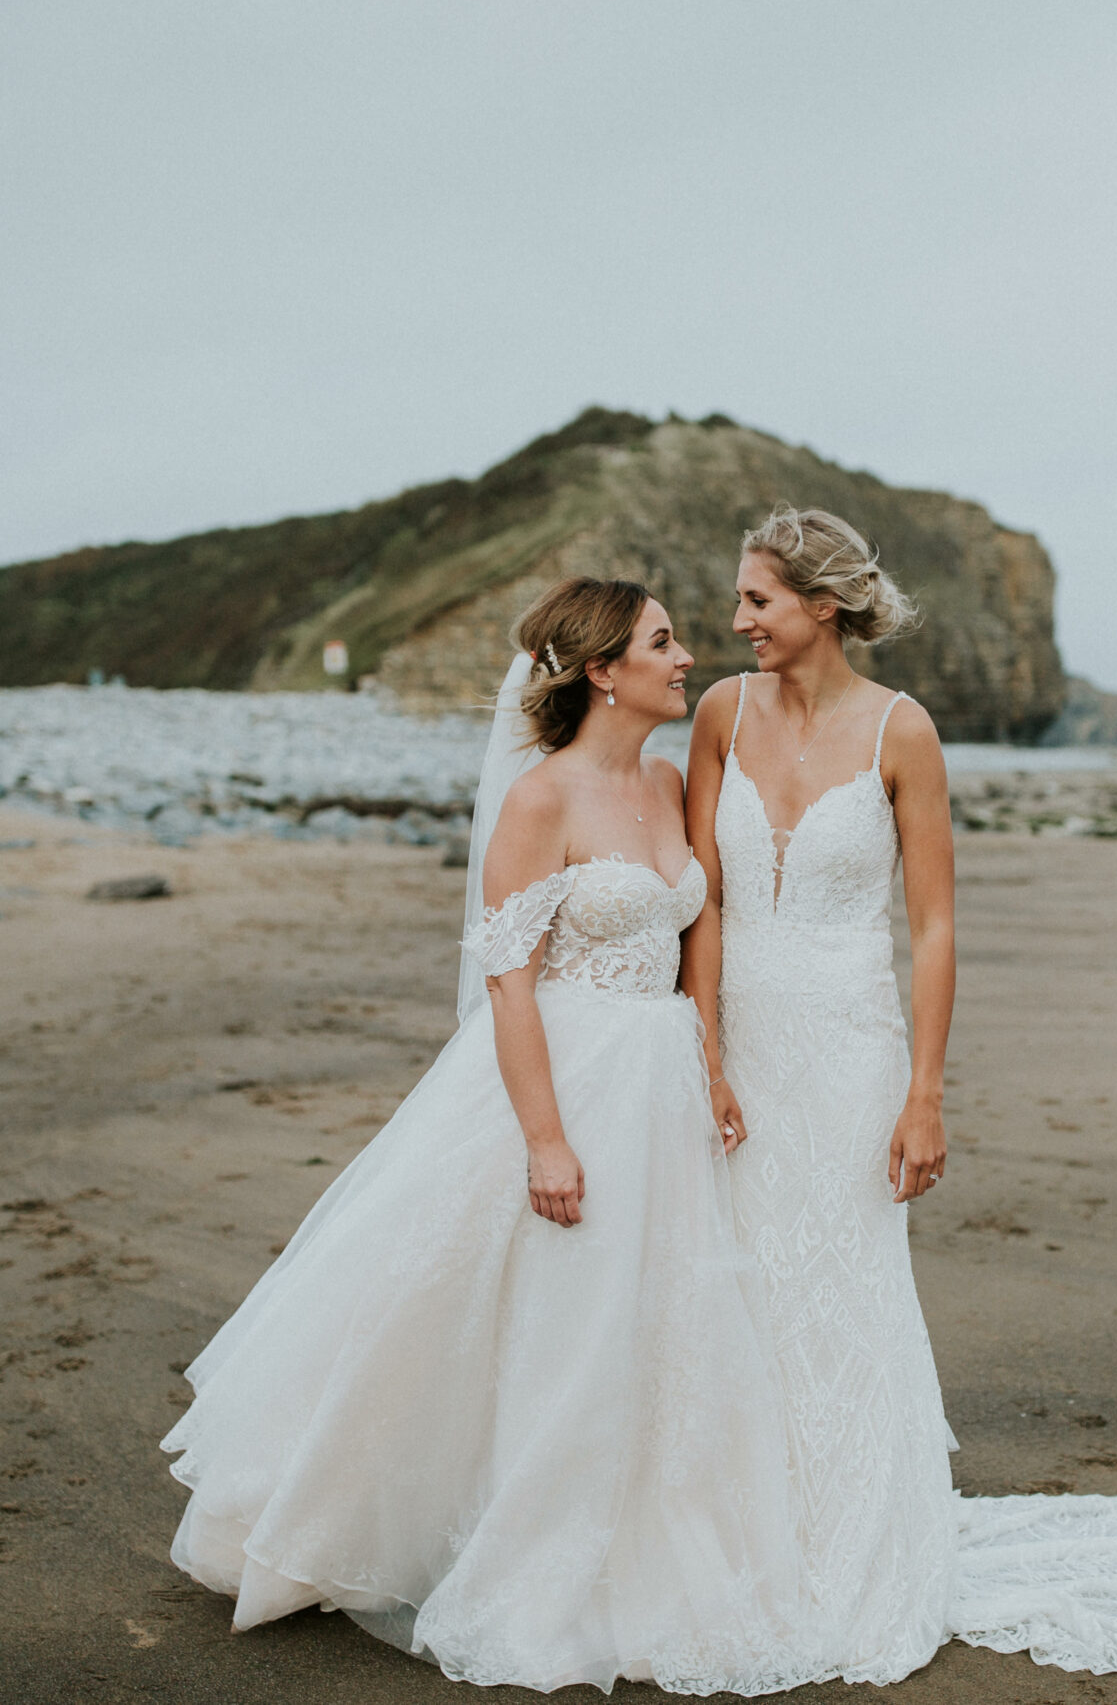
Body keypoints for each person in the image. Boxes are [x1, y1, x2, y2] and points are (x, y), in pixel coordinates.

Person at [685, 508, 1117, 1680]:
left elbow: (936, 927)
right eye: (739, 599)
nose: (736, 621)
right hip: (740, 1043)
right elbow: (707, 900)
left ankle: (853, 1549)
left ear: (822, 605)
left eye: (758, 601)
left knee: (842, 1281)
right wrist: (702, 1052)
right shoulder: (716, 718)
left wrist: (926, 1094)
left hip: (851, 1047)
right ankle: (741, 1539)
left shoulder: (904, 732)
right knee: (737, 1277)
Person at [163, 578, 826, 1697]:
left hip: (657, 1081)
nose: (685, 656)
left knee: (642, 1315)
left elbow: (692, 934)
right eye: (663, 641)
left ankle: (636, 1531)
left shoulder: (668, 784)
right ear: (604, 671)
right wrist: (545, 1140)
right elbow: (510, 985)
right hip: (562, 1076)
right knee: (510, 1307)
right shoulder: (540, 800)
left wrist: (709, 1062)